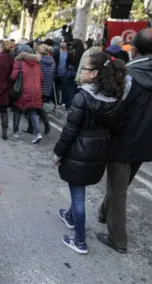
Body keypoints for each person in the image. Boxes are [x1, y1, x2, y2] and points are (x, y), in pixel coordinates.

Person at [97, 28, 152, 254]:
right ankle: (104, 213)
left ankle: (118, 240)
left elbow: (115, 110)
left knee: (119, 189)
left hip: (123, 141)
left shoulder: (127, 75)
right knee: (120, 184)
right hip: (147, 142)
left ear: (134, 49)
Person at [54, 52, 127, 254]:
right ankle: (69, 216)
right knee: (79, 187)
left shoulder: (82, 97)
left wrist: (58, 154)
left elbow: (69, 131)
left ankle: (79, 241)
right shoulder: (114, 97)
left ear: (94, 73)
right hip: (99, 151)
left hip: (79, 151)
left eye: (83, 69)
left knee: (78, 196)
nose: (80, 72)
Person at [10, 44, 44, 144]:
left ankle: (15, 132)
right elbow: (41, 77)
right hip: (36, 90)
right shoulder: (37, 62)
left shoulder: (18, 62)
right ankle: (38, 133)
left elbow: (13, 77)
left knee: (17, 109)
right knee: (32, 111)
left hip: (23, 90)